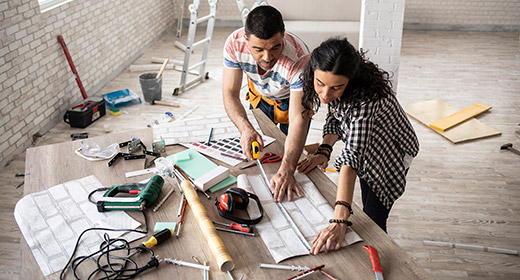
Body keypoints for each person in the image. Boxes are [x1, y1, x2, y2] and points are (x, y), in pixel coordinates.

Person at [296, 38, 419, 255]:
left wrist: (339, 219)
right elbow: (335, 118)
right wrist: (324, 150)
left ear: (350, 81)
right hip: (367, 147)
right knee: (364, 189)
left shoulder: (367, 100)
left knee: (374, 216)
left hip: (391, 151)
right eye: (320, 84)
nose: (325, 95)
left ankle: (378, 257)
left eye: (336, 87)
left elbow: (352, 156)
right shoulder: (335, 87)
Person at [222, 5, 311, 202]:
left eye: (275, 47)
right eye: (258, 49)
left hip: (292, 100)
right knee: (262, 152)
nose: (267, 57)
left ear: (283, 36)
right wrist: (246, 129)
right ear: (246, 40)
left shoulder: (300, 59)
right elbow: (230, 93)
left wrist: (288, 169)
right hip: (260, 95)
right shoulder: (234, 44)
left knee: (289, 158)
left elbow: (298, 118)